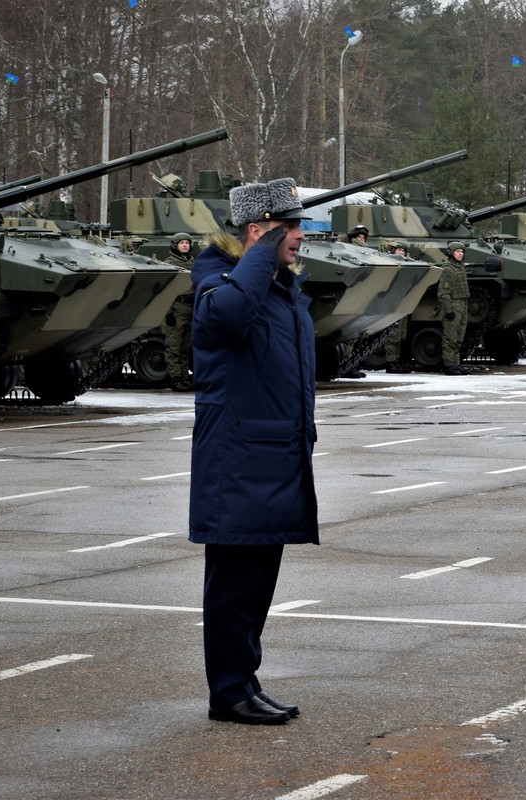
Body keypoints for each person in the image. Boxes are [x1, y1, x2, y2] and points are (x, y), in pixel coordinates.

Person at [189, 177, 318, 726]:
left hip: (274, 455)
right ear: (257, 231)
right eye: (289, 228)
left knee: (258, 582)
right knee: (234, 587)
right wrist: (261, 255)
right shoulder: (218, 282)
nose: (299, 238)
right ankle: (228, 692)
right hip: (237, 459)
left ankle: (245, 680)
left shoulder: (279, 288)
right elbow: (226, 319)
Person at [162, 233, 196, 391]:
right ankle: (175, 377)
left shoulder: (192, 262)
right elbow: (166, 290)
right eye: (182, 243)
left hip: (191, 308)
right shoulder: (170, 263)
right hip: (177, 308)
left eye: (187, 243)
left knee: (185, 347)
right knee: (174, 346)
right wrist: (168, 312)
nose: (185, 245)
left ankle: (184, 376)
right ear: (175, 245)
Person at [438, 241, 470, 375]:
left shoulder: (460, 267)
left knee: (459, 337)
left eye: (462, 252)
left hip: (463, 304)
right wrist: (448, 310)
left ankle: (456, 363)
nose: (460, 254)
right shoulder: (448, 269)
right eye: (457, 251)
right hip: (454, 304)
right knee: (450, 337)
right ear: (451, 253)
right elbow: (443, 292)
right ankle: (449, 365)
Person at [383, 242, 412, 374]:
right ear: (394, 251)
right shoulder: (388, 263)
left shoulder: (407, 264)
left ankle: (396, 360)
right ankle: (390, 362)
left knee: (401, 335)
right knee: (393, 335)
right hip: (393, 303)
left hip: (403, 302)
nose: (402, 253)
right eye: (399, 250)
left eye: (403, 251)